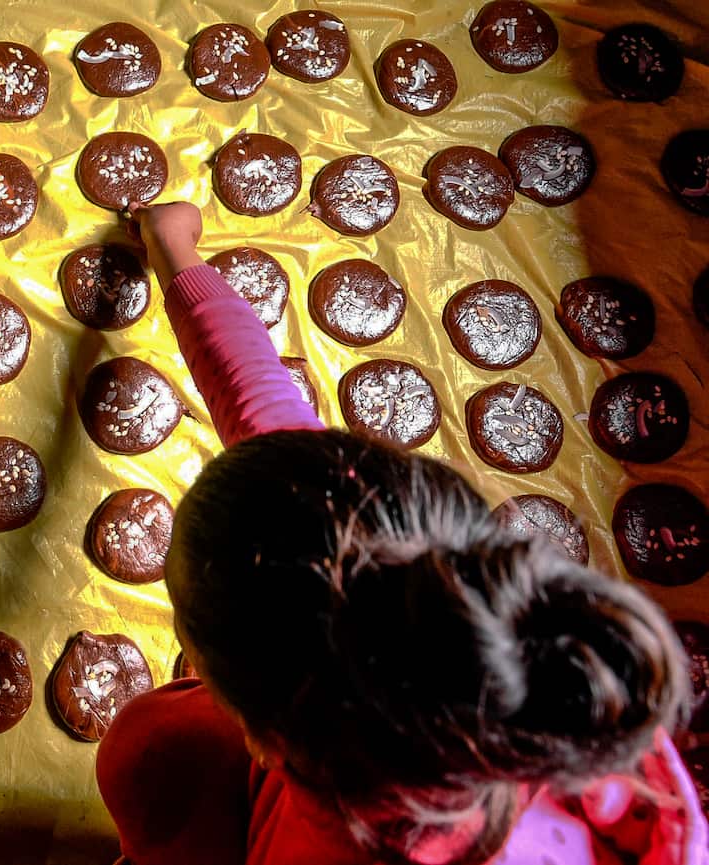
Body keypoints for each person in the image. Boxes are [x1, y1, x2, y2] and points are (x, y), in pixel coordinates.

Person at [95, 201, 708, 865]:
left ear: (265, 739)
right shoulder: (559, 692)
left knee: (147, 750)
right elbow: (262, 408)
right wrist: (176, 256)